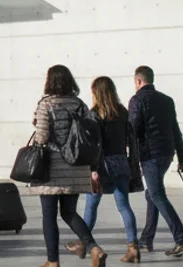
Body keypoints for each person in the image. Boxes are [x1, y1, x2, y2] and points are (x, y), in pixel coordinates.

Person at [29, 65, 106, 267]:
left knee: (49, 215)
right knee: (69, 212)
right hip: (76, 166)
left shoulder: (46, 104)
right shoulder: (80, 104)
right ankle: (94, 248)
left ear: (49, 82)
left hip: (52, 168)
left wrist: (36, 125)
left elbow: (42, 137)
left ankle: (52, 261)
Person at [75, 77, 141, 263]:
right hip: (121, 162)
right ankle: (133, 247)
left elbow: (95, 144)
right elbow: (129, 140)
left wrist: (93, 169)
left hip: (101, 165)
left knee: (92, 204)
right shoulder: (122, 112)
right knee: (124, 206)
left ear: (96, 92)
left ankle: (83, 244)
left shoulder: (94, 114)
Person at [129, 65, 183, 256]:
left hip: (150, 154)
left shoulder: (137, 99)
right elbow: (175, 130)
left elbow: (132, 131)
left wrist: (130, 158)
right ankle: (147, 240)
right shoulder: (167, 100)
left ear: (138, 81)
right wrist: (182, 159)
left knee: (157, 195)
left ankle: (181, 239)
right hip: (167, 154)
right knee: (152, 194)